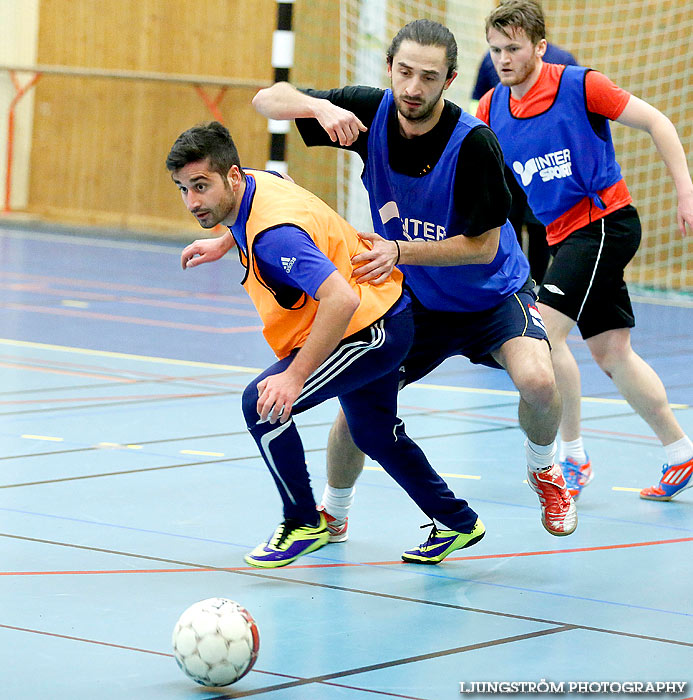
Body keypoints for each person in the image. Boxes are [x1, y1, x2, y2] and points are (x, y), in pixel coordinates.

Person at [252, 18, 577, 544]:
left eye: (428, 77)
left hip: (491, 296)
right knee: (358, 403)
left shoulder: (475, 145)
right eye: (404, 72)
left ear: (449, 81)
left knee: (540, 383)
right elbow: (268, 99)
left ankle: (545, 468)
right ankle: (333, 512)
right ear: (389, 68)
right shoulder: (369, 110)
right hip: (416, 301)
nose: (412, 88)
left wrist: (399, 250)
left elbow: (484, 248)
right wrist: (319, 106)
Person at [166, 121, 486, 568]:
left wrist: (294, 378)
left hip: (370, 328)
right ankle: (456, 520)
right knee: (374, 432)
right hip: (385, 311)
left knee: (262, 403)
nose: (192, 201)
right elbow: (282, 182)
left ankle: (302, 522)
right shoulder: (256, 182)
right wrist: (224, 241)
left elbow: (341, 298)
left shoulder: (275, 237)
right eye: (183, 188)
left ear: (232, 176)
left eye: (201, 187)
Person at [477, 0, 693, 501]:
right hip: (564, 236)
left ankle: (571, 455)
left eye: (513, 48)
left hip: (603, 224)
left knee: (541, 335)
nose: (504, 59)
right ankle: (680, 452)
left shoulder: (579, 85)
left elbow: (659, 122)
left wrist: (684, 190)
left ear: (539, 46)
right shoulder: (490, 108)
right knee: (613, 352)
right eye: (495, 51)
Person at [471, 38, 578, 285]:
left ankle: (538, 287)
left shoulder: (563, 61)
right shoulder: (490, 60)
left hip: (545, 165)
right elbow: (476, 101)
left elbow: (572, 113)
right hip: (503, 163)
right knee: (508, 223)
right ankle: (517, 283)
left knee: (541, 225)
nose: (504, 57)